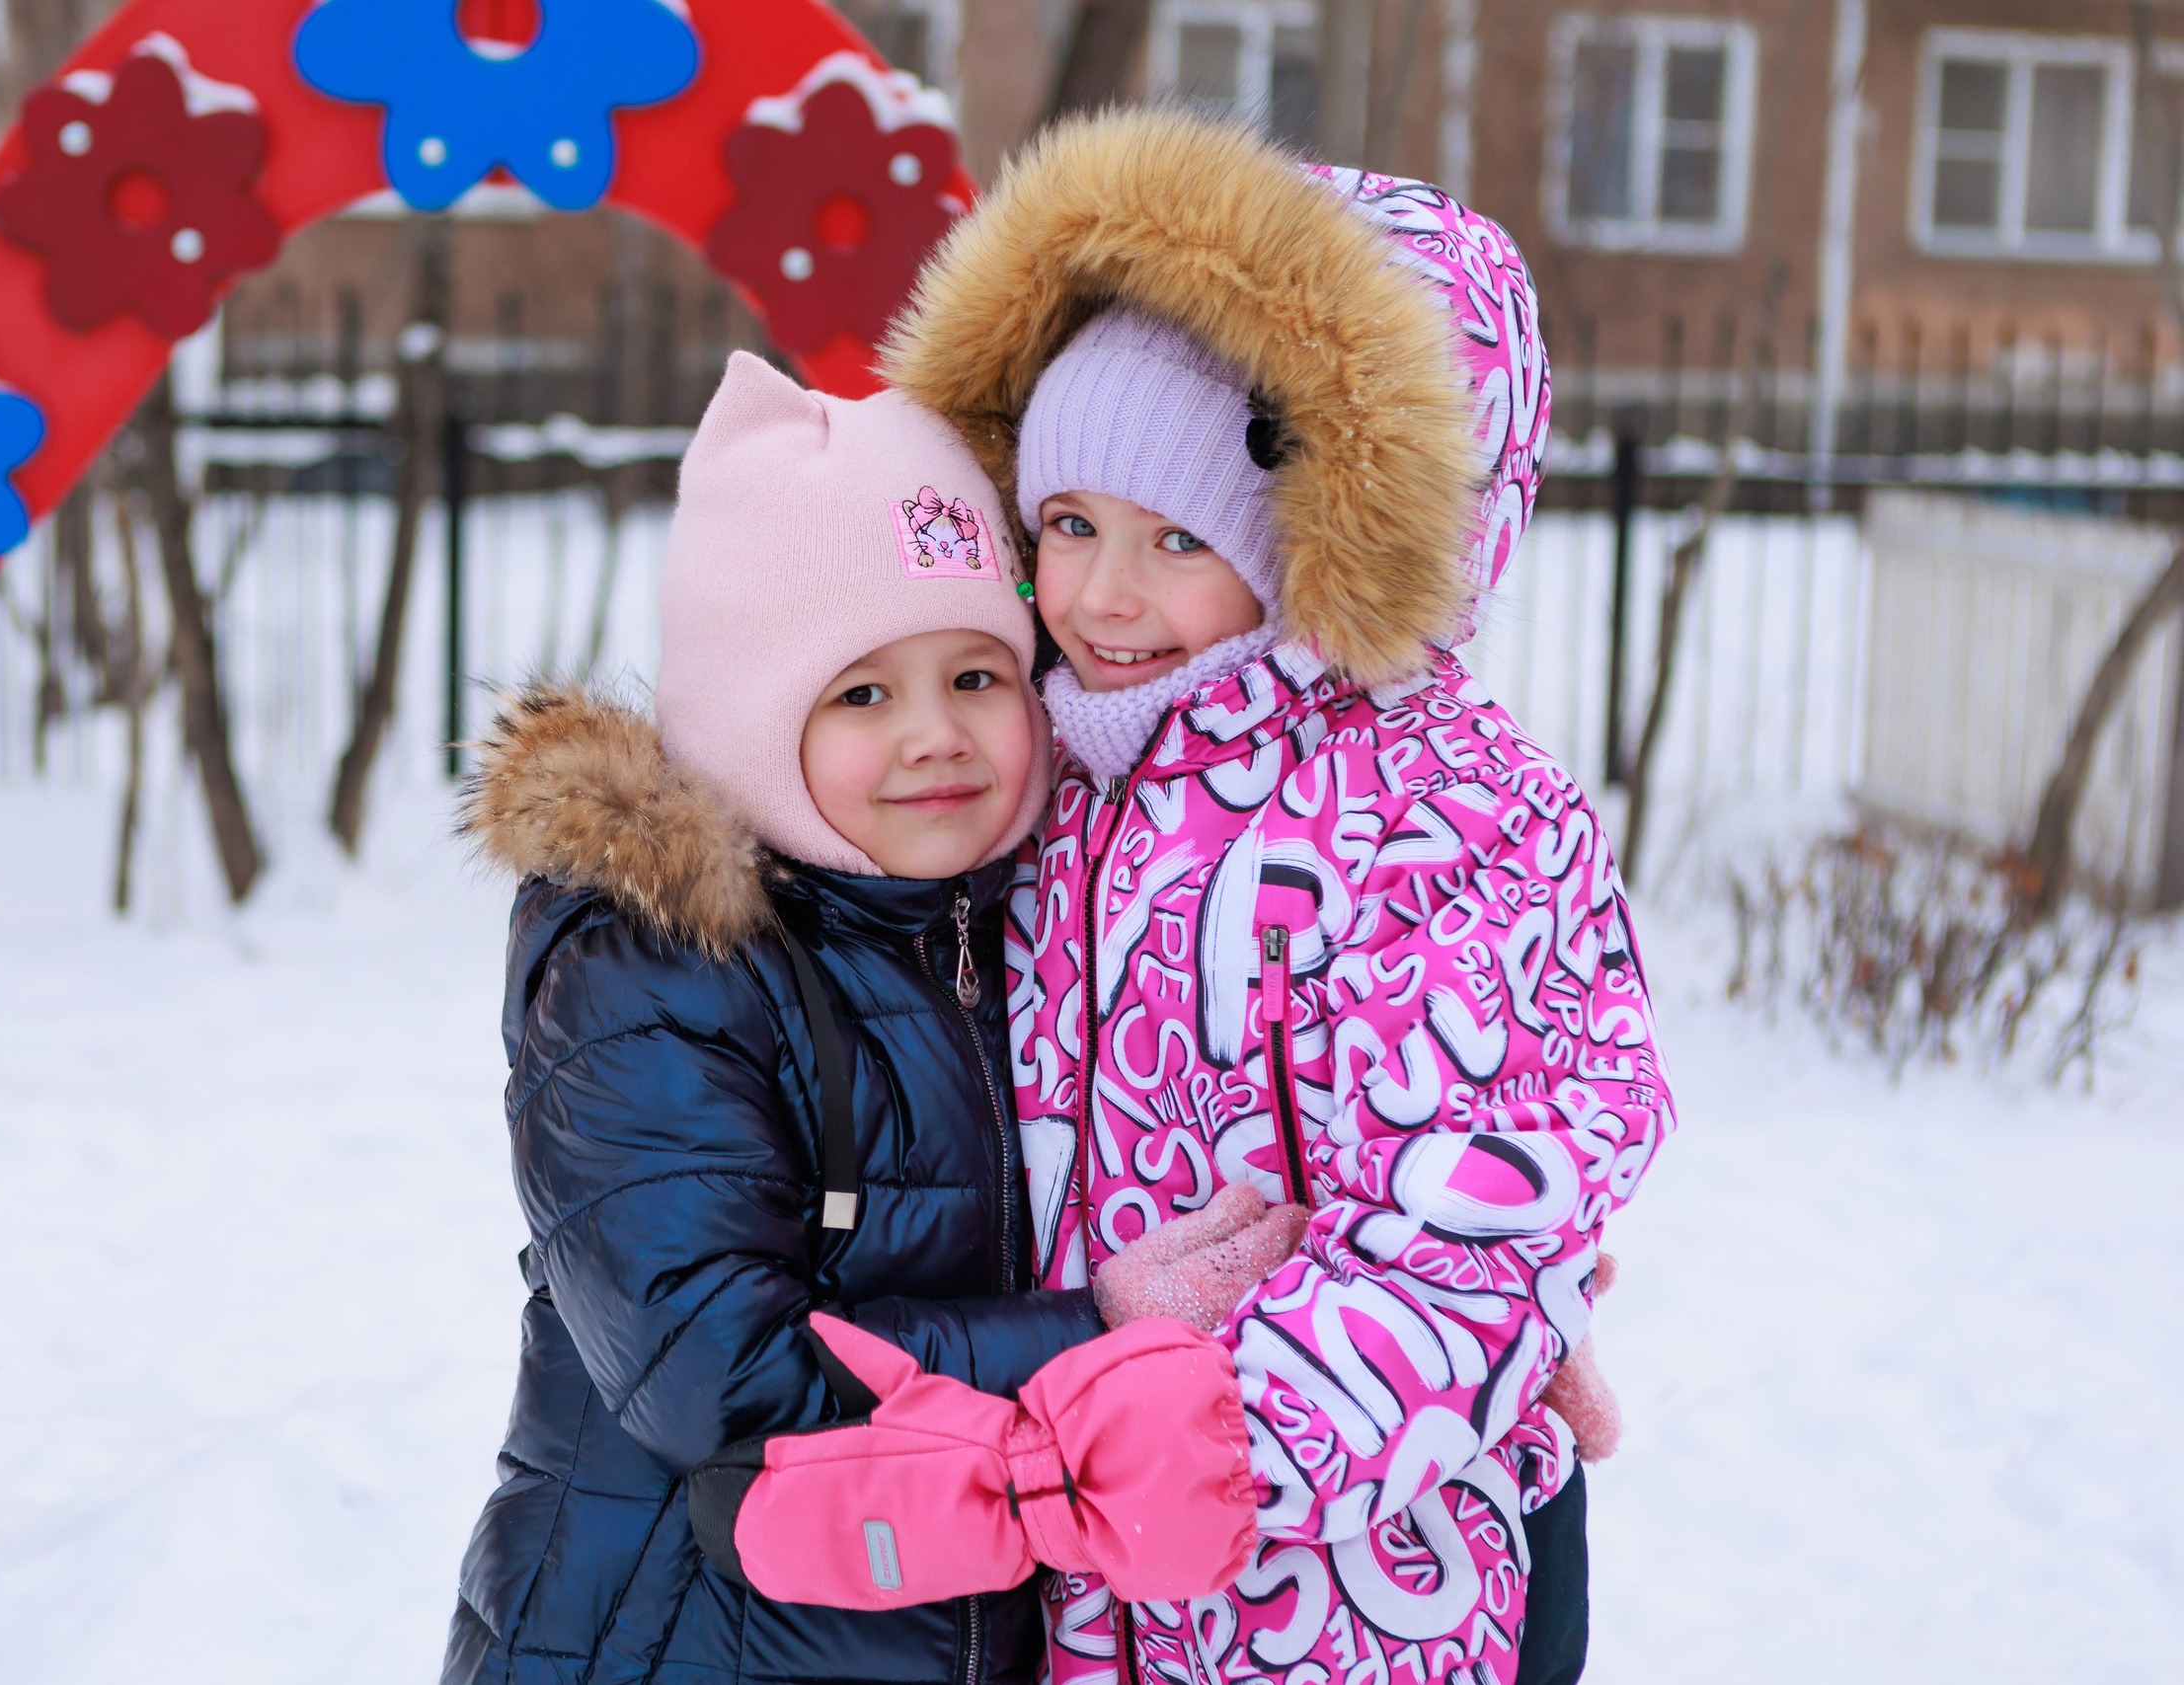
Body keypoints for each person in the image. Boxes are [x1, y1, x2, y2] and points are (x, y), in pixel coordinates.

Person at [694, 111, 1667, 1685]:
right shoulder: (1064, 778)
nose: (1102, 597)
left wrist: (1232, 1450)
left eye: (1180, 539)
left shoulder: (1439, 819)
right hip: (1083, 1595)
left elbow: (1469, 1225)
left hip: (1353, 1595)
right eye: (1068, 526)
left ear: (1322, 542)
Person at [439, 347, 1300, 1685]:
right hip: (671, 1643)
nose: (935, 737)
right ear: (746, 719)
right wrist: (1102, 1327)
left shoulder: (1024, 919)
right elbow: (712, 1371)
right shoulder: (654, 967)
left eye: (976, 677)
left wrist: (1446, 1266)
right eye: (861, 694)